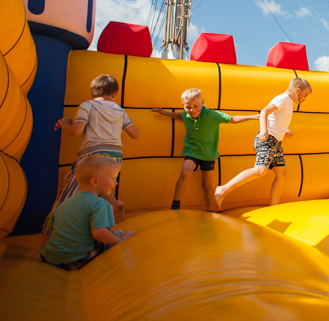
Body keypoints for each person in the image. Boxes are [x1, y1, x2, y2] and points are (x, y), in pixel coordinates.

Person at [44, 74, 140, 242]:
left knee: (71, 194)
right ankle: (113, 203)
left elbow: (76, 130)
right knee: (99, 189)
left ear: (92, 93)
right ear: (115, 93)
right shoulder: (120, 110)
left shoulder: (88, 105)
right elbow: (136, 134)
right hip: (115, 158)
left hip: (94, 156)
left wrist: (65, 124)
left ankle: (49, 233)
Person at [151, 89, 258, 212]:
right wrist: (164, 113)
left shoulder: (212, 115)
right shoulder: (186, 114)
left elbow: (232, 119)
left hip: (208, 154)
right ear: (183, 105)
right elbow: (181, 116)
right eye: (188, 107)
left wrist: (253, 116)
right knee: (185, 172)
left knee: (206, 184)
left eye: (195, 106)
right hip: (192, 151)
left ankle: (209, 210)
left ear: (202, 102)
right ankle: (175, 205)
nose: (192, 110)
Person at [214, 78, 312, 209]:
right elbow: (265, 111)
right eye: (305, 95)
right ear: (297, 91)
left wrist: (284, 131)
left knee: (281, 173)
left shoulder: (288, 102)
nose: (305, 98)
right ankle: (223, 189)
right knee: (260, 170)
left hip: (276, 142)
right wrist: (264, 130)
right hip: (267, 139)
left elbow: (276, 120)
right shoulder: (283, 98)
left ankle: (273, 207)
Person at [40, 155, 135, 270]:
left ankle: (114, 235)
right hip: (74, 260)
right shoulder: (99, 204)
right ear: (95, 181)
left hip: (48, 258)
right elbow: (100, 233)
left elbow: (51, 229)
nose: (116, 183)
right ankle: (117, 236)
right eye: (113, 179)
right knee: (109, 240)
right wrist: (120, 240)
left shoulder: (63, 205)